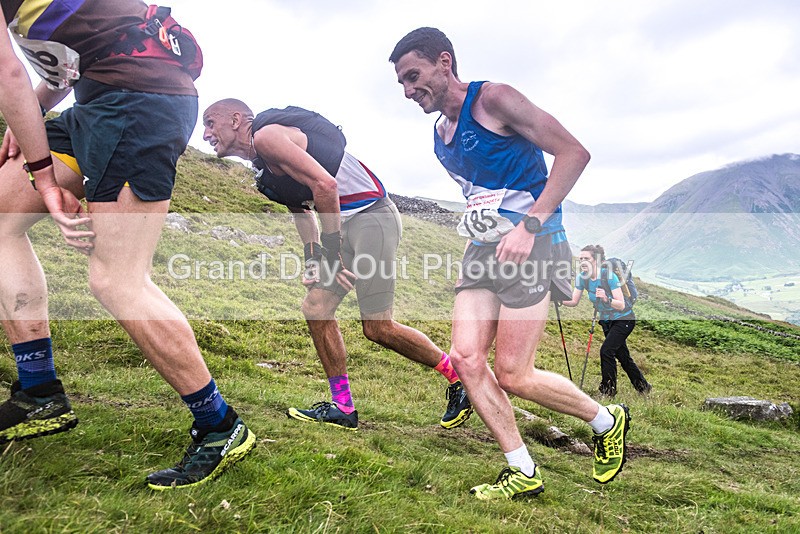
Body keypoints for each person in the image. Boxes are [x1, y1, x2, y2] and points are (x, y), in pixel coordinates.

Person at [0, 0, 255, 490]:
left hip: (141, 103)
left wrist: (42, 172)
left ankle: (220, 426)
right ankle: (39, 392)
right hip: (95, 99)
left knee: (116, 280)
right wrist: (29, 112)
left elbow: (9, 74)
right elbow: (61, 65)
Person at [389, 27, 631, 498]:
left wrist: (531, 226)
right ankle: (521, 468)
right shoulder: (440, 134)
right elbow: (484, 193)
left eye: (413, 76)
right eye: (400, 83)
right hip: (483, 250)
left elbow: (574, 153)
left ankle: (607, 420)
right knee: (465, 358)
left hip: (533, 245)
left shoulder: (494, 99)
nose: (407, 90)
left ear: (444, 62)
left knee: (514, 374)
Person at [202, 99, 473, 431]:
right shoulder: (261, 169)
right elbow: (302, 210)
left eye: (210, 123)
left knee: (378, 327)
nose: (205, 134)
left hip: (372, 217)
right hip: (343, 227)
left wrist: (331, 253)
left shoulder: (268, 136)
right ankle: (343, 407)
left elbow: (326, 186)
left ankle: (461, 379)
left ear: (235, 119)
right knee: (316, 308)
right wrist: (313, 260)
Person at [561, 245, 651, 396]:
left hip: (624, 319)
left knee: (606, 351)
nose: (582, 261)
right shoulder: (582, 277)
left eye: (586, 258)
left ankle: (608, 391)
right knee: (622, 356)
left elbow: (621, 304)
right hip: (606, 321)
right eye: (581, 258)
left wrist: (606, 298)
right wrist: (555, 298)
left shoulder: (609, 276)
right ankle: (643, 387)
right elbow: (573, 300)